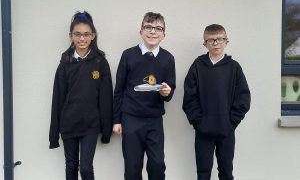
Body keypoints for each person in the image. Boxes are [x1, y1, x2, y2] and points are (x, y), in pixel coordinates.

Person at [49, 11, 113, 180]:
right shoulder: (65, 63)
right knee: (71, 167)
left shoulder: (100, 62)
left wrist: (106, 131)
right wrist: (54, 135)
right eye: (77, 34)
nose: (82, 39)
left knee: (85, 168)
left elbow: (106, 99)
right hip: (69, 124)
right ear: (71, 36)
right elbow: (58, 99)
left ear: (93, 36)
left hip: (90, 125)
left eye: (86, 34)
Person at [182, 24, 251, 180]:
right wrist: (198, 121)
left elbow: (243, 97)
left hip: (226, 130)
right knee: (203, 173)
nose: (215, 44)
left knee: (226, 173)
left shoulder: (234, 68)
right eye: (211, 40)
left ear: (226, 41)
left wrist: (232, 122)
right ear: (205, 44)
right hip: (203, 130)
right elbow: (189, 97)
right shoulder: (198, 65)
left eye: (219, 39)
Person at [113, 12, 176, 180]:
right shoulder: (128, 55)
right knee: (132, 166)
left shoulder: (168, 59)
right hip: (131, 118)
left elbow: (170, 91)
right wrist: (116, 120)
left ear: (164, 34)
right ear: (141, 31)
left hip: (154, 119)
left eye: (158, 28)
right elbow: (118, 90)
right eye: (148, 27)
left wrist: (167, 93)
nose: (153, 32)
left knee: (157, 164)